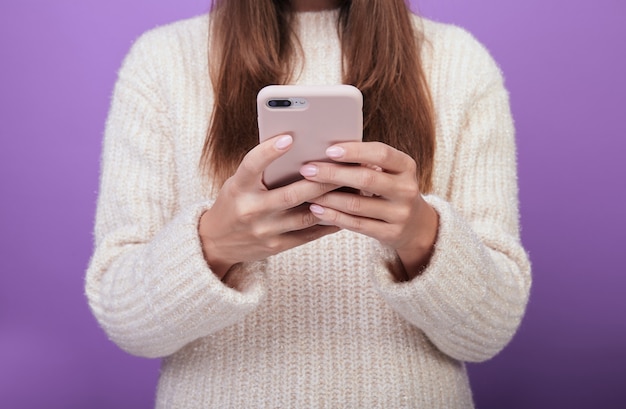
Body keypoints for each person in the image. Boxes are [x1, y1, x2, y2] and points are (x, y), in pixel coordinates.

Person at [85, 0, 531, 407]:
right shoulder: (163, 61)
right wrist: (214, 245)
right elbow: (128, 324)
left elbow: (489, 333)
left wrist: (421, 237)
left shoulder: (459, 62)